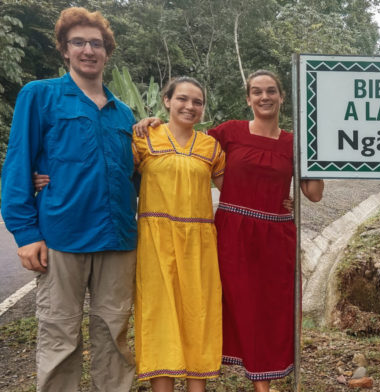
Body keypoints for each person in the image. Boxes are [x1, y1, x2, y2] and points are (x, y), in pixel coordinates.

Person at [133, 70, 323, 392]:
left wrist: (319, 149)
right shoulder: (228, 133)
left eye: (271, 91)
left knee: (269, 308)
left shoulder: (294, 143)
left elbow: (314, 193)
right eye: (257, 92)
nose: (265, 97)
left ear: (281, 97)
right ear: (248, 98)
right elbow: (182, 140)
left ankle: (262, 383)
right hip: (230, 234)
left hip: (273, 235)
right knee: (223, 307)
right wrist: (150, 121)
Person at [0, 7, 138, 391]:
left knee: (115, 333)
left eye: (96, 43)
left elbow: (138, 177)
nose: (88, 50)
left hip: (118, 239)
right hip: (61, 237)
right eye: (79, 42)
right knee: (59, 335)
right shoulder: (40, 96)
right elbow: (18, 164)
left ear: (107, 51)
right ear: (64, 49)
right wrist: (26, 233)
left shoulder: (123, 113)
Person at [132, 77, 225, 392]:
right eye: (183, 99)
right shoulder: (144, 138)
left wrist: (280, 197)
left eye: (197, 102)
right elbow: (110, 175)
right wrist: (47, 178)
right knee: (160, 313)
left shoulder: (211, 147)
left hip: (199, 243)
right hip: (155, 241)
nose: (190, 106)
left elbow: (237, 191)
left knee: (198, 312)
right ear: (167, 101)